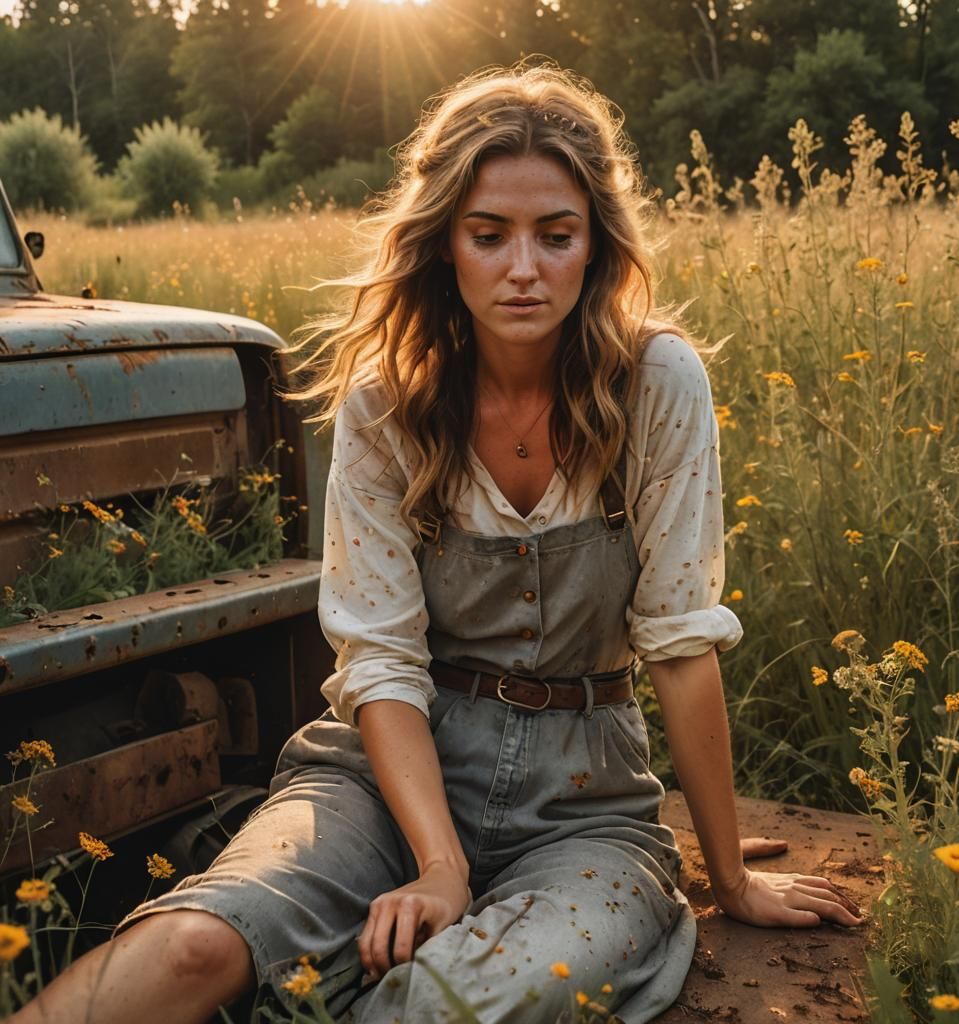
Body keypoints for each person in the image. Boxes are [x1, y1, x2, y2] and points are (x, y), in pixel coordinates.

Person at [12, 62, 863, 1024]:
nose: (523, 268)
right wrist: (440, 865)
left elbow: (678, 641)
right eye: (488, 235)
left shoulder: (656, 381)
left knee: (453, 1001)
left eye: (556, 235)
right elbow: (379, 659)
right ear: (445, 244)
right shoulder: (388, 401)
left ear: (596, 244)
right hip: (379, 781)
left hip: (583, 806)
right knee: (200, 943)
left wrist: (728, 872)